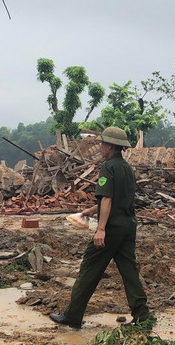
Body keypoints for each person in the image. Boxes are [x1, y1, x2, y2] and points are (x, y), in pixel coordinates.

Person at [49, 126, 152, 329]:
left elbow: (107, 197)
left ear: (111, 146)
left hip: (112, 228)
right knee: (129, 270)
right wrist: (92, 210)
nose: (100, 147)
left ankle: (72, 315)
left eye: (103, 143)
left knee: (90, 268)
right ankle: (142, 316)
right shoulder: (126, 168)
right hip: (128, 226)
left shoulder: (108, 167)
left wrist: (101, 229)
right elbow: (116, 198)